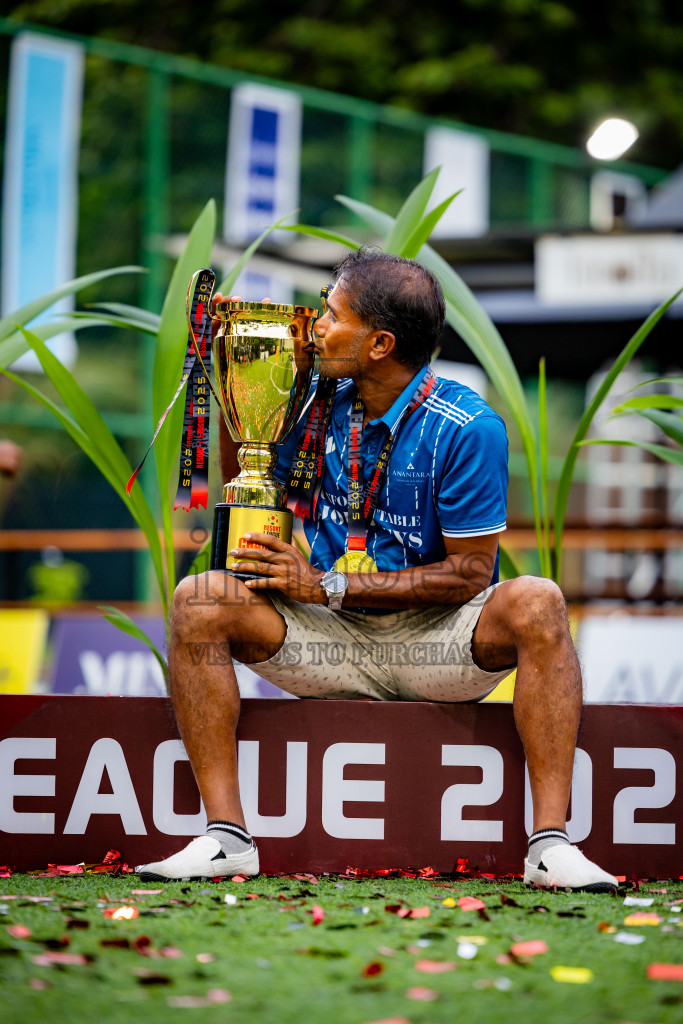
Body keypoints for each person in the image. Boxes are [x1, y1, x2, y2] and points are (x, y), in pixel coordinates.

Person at [138, 249, 617, 892]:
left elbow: (472, 575)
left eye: (332, 316)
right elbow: (248, 480)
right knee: (199, 599)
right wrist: (249, 370)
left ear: (379, 344)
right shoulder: (313, 400)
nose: (314, 327)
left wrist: (328, 583)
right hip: (329, 639)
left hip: (437, 642)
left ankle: (550, 846)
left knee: (537, 600)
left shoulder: (467, 426)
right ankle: (227, 839)